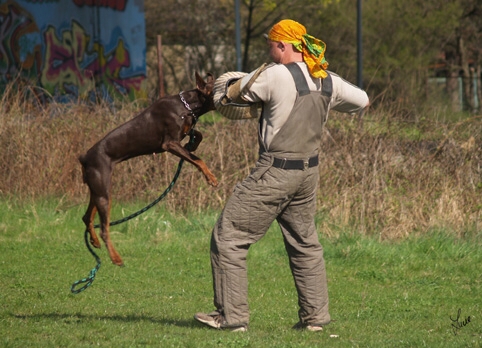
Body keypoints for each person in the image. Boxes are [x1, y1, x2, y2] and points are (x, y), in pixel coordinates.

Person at [194, 19, 369, 332]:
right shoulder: (326, 79)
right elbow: (362, 100)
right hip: (308, 173)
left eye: (271, 46)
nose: (269, 51)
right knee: (305, 245)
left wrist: (238, 81)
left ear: (283, 46)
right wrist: (327, 87)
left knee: (229, 236)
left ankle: (231, 318)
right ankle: (315, 320)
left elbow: (232, 94)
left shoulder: (274, 75)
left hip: (275, 171)